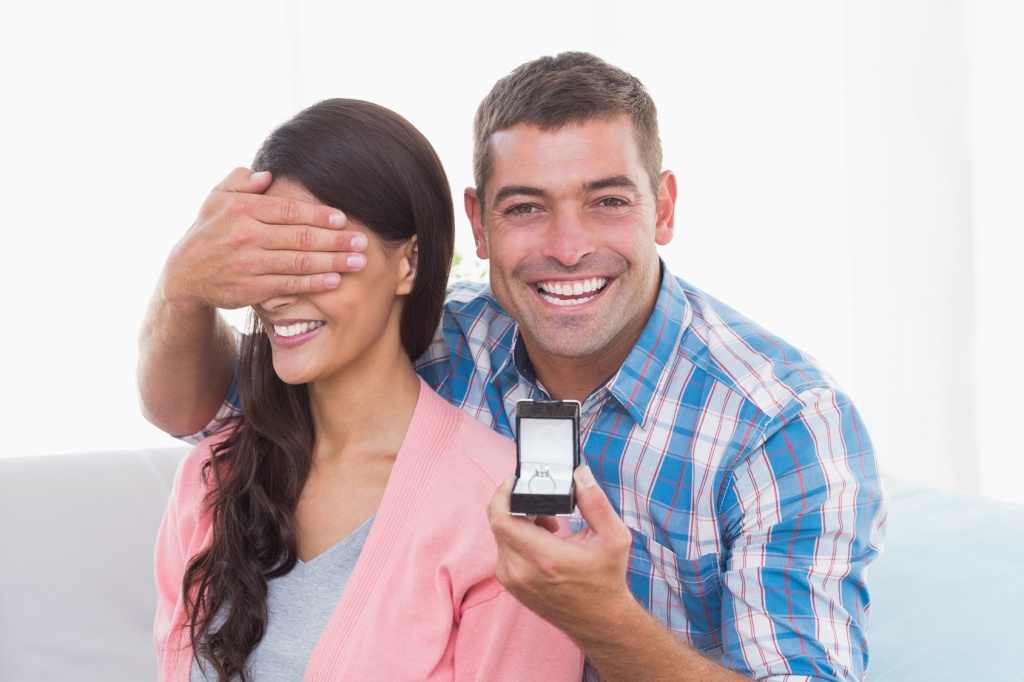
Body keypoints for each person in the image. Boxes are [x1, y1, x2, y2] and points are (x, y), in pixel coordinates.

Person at [140, 53, 886, 681]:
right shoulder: (442, 339)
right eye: (526, 207)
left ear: (662, 208)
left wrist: (604, 620)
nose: (567, 247)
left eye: (606, 201)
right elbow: (205, 410)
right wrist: (184, 288)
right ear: (479, 223)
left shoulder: (780, 424)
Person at [150, 98, 583, 682]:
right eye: (267, 255)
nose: (279, 293)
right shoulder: (212, 477)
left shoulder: (503, 511)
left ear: (408, 262)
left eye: (314, 254)